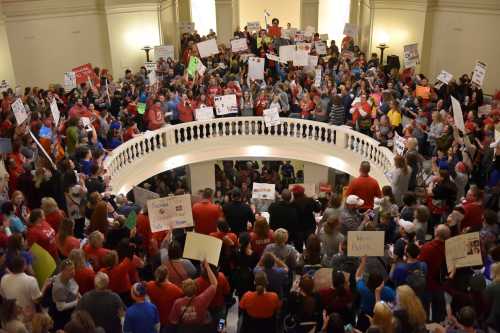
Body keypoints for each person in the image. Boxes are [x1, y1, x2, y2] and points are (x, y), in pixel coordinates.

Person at [169, 260, 218, 331]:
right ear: (195, 289)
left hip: (184, 329)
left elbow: (173, 321)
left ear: (183, 290)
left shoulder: (177, 303)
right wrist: (207, 267)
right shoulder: (202, 300)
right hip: (199, 328)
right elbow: (214, 284)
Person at [417, 224, 451, 323]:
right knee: (439, 308)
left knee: (425, 308)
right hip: (440, 283)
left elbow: (421, 264)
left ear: (436, 233)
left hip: (427, 284)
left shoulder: (427, 247)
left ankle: (427, 324)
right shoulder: (450, 248)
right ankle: (437, 324)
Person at [0, 255, 41, 321]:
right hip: (27, 318)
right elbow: (37, 300)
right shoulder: (31, 280)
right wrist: (45, 286)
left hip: (11, 317)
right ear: (24, 266)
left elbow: (3, 297)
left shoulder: (4, 278)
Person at [146, 265, 183, 332]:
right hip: (168, 319)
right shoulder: (175, 289)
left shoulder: (150, 285)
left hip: (155, 317)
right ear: (167, 275)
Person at [51, 259, 80, 330]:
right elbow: (60, 307)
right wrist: (77, 302)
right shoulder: (59, 288)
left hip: (71, 299)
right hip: (63, 315)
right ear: (63, 271)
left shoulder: (67, 276)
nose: (73, 272)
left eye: (73, 268)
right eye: (69, 270)